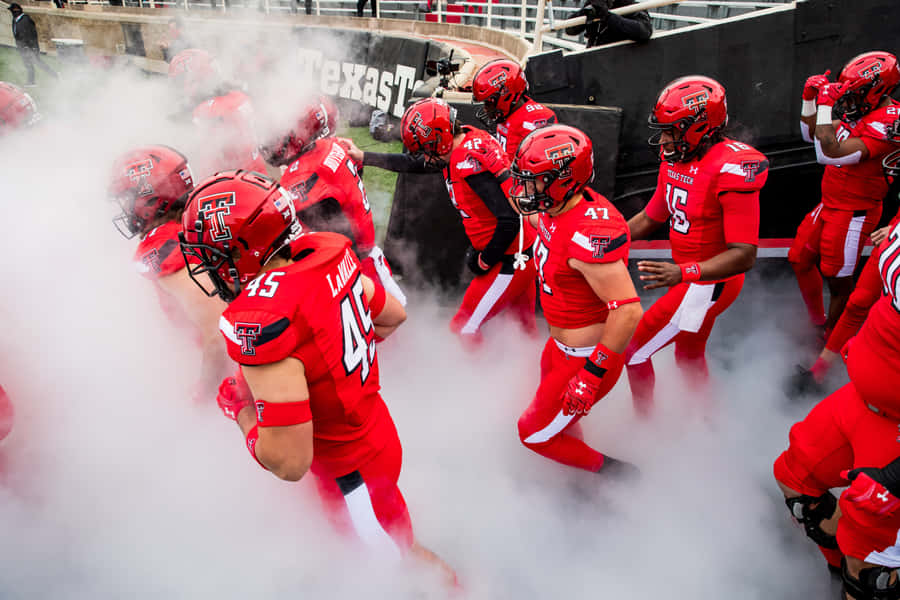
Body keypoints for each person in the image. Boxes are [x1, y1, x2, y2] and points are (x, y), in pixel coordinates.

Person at [177, 170, 457, 585]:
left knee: (403, 567)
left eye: (214, 256)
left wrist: (239, 411)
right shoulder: (326, 252)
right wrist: (330, 362)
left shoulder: (258, 321)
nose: (210, 268)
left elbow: (290, 463)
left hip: (349, 475)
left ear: (243, 251)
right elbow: (392, 316)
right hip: (377, 432)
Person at [625, 76, 768, 418]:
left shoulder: (730, 169)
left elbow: (745, 254)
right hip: (691, 278)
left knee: (633, 351)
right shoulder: (675, 159)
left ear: (699, 128)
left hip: (709, 281)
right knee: (688, 354)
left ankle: (644, 429)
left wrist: (683, 272)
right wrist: (604, 244)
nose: (663, 139)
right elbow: (649, 218)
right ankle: (707, 422)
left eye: (671, 130)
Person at [773, 211, 900, 591]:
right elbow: (861, 300)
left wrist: (894, 477)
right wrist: (822, 366)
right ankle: (839, 573)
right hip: (863, 401)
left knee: (872, 573)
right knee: (795, 479)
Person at [344, 97, 538, 344]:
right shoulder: (460, 144)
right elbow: (415, 165)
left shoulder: (467, 162)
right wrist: (364, 156)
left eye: (426, 150)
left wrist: (484, 260)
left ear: (439, 141)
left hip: (511, 257)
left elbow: (509, 219)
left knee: (464, 328)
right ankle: (525, 375)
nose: (424, 157)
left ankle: (473, 379)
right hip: (521, 250)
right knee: (523, 326)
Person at [510, 124, 642, 475]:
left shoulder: (589, 233)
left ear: (562, 180)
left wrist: (591, 374)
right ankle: (578, 478)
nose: (526, 188)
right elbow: (543, 222)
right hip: (559, 348)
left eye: (533, 179)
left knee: (533, 433)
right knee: (560, 421)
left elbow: (628, 311)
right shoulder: (558, 210)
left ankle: (621, 476)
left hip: (586, 358)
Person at [788, 51, 900, 347]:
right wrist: (810, 98)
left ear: (878, 91)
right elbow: (808, 135)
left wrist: (825, 106)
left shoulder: (890, 123)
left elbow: (828, 152)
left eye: (854, 95)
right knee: (799, 258)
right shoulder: (863, 112)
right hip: (830, 203)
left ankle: (829, 340)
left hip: (854, 213)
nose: (847, 102)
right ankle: (817, 323)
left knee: (838, 281)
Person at [109, 145, 234, 402]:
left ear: (147, 196)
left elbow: (218, 329)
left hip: (239, 372)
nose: (124, 208)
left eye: (125, 198)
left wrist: (206, 391)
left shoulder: (160, 247)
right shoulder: (199, 216)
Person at [261, 97, 407, 306]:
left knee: (377, 323)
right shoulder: (332, 144)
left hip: (356, 264)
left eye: (278, 133)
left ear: (300, 134)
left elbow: (335, 239)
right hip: (366, 252)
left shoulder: (305, 177)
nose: (271, 140)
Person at [167, 48, 268, 178]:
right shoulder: (236, 95)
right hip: (254, 175)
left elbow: (194, 154)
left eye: (181, 83)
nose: (181, 91)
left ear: (199, 78)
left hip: (231, 185)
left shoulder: (210, 111)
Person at [470, 58, 557, 161]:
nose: (485, 109)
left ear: (505, 94)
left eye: (488, 102)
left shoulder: (536, 118)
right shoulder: (507, 113)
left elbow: (539, 165)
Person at [8, 3, 58, 88]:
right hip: (22, 47)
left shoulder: (26, 20)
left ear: (17, 10)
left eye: (13, 10)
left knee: (38, 63)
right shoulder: (15, 20)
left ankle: (54, 75)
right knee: (28, 64)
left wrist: (32, 47)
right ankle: (31, 81)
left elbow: (31, 35)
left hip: (30, 47)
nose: (12, 12)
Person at [564, 0, 652, 49]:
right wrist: (585, 12)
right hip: (593, 61)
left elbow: (644, 31)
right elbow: (569, 30)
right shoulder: (593, 6)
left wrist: (608, 17)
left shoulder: (630, 6)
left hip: (619, 63)